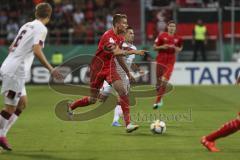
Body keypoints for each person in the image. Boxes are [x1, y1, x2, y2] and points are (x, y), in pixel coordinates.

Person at [68, 14, 145, 133]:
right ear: (117, 24)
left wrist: (127, 72)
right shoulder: (108, 36)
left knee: (122, 91)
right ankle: (71, 106)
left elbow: (118, 57)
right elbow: (117, 51)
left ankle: (128, 124)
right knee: (93, 100)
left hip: (110, 67)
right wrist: (135, 51)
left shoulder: (120, 38)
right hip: (97, 68)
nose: (126, 25)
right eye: (124, 23)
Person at [0, 3, 62, 151]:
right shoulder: (42, 28)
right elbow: (37, 50)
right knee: (9, 108)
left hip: (11, 65)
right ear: (49, 15)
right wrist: (51, 69)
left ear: (36, 13)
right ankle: (0, 135)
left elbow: (12, 46)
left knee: (22, 103)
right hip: (16, 71)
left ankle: (2, 134)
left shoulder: (27, 25)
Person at [98, 26, 137, 127]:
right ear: (125, 34)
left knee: (122, 98)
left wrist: (135, 70)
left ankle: (117, 120)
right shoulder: (120, 44)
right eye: (130, 33)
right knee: (101, 98)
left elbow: (129, 62)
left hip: (123, 76)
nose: (132, 35)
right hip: (113, 73)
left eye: (133, 33)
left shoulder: (134, 48)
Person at [153, 20, 183, 109]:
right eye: (170, 26)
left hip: (171, 60)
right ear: (167, 27)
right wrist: (162, 47)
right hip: (161, 59)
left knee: (164, 80)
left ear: (175, 28)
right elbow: (154, 47)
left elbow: (180, 48)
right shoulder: (162, 35)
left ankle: (157, 101)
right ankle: (159, 95)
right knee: (158, 83)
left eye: (173, 26)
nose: (172, 28)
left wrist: (176, 48)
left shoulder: (178, 38)